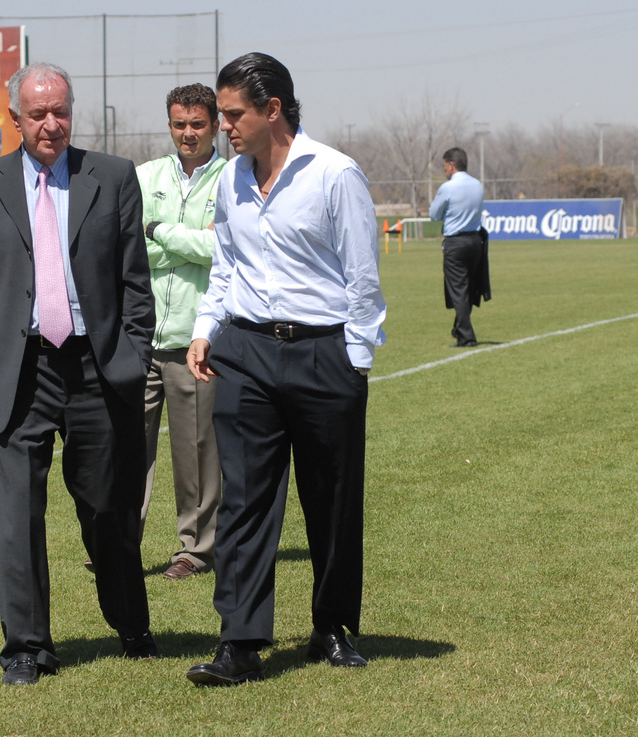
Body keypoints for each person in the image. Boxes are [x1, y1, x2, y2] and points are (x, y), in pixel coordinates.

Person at [0, 62, 158, 686]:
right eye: (38, 114)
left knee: (108, 510)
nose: (51, 124)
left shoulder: (112, 176)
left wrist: (132, 356)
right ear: (16, 119)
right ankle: (27, 648)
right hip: (19, 371)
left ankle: (130, 622)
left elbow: (135, 281)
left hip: (98, 368)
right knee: (17, 518)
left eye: (60, 111)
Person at [184, 53, 386, 686]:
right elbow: (226, 265)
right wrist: (205, 329)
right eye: (220, 115)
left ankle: (333, 626)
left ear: (272, 110)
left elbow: (362, 276)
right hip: (245, 353)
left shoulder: (334, 174)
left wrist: (354, 361)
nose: (222, 127)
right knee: (243, 502)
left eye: (232, 114)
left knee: (331, 497)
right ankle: (239, 641)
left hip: (323, 353)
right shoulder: (229, 180)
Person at [135, 83, 226, 580]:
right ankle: (119, 540)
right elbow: (128, 245)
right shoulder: (146, 176)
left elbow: (223, 250)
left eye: (197, 124)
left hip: (197, 340)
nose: (187, 133)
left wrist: (160, 231)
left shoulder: (233, 179)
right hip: (139, 335)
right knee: (127, 446)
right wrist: (188, 243)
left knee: (196, 452)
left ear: (215, 125)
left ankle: (195, 549)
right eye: (179, 124)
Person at [429, 147, 490, 347]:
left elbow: (434, 214)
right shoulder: (477, 185)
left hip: (455, 243)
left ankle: (466, 336)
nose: (445, 170)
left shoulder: (448, 187)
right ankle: (459, 328)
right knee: (469, 288)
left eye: (445, 166)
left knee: (458, 290)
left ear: (452, 165)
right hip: (476, 241)